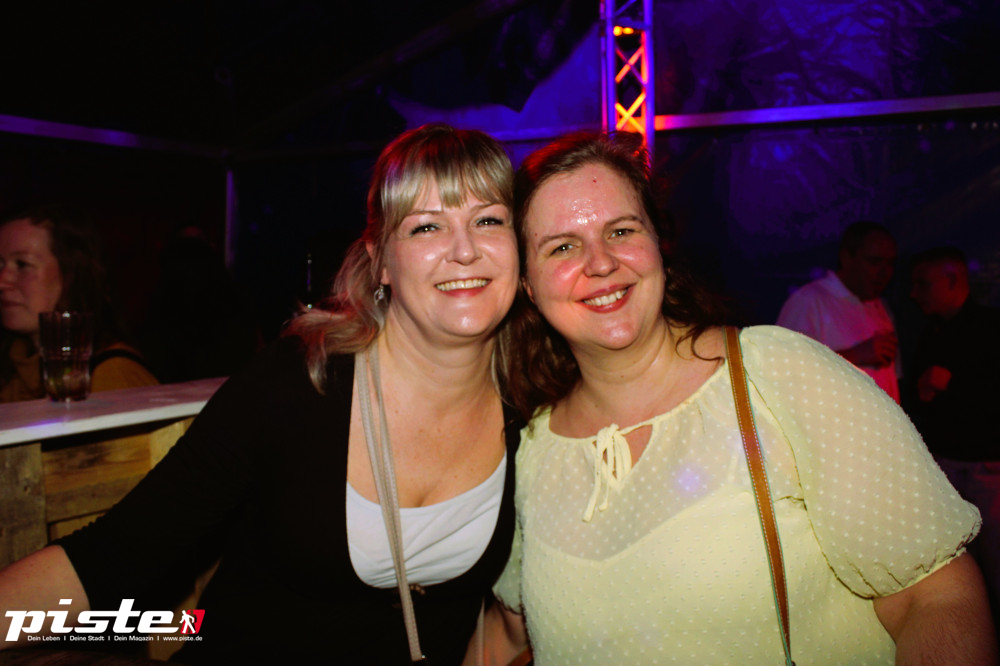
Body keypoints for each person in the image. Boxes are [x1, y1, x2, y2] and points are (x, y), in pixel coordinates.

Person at [0, 124, 523, 664]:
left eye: (488, 220)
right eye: (426, 227)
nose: (465, 250)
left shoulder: (531, 398)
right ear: (381, 261)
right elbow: (114, 555)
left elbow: (509, 622)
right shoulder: (299, 381)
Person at [478, 132, 996, 665]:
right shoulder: (531, 447)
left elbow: (936, 597)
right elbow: (510, 631)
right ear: (527, 284)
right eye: (562, 247)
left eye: (622, 231)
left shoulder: (775, 375)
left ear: (658, 244)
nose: (601, 262)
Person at [908, 246, 1000, 613]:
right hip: (944, 469)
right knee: (956, 569)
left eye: (923, 284)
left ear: (952, 280)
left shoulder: (991, 326)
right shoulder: (930, 332)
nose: (914, 293)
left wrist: (954, 384)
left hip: (986, 471)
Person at [0, 205, 158, 402]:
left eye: (23, 264)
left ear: (72, 274)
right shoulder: (14, 370)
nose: (2, 281)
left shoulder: (111, 379)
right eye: (0, 264)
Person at [776, 221, 901, 402]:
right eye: (874, 262)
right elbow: (784, 370)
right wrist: (855, 355)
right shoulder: (809, 300)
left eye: (890, 263)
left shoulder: (881, 307)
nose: (884, 272)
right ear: (846, 258)